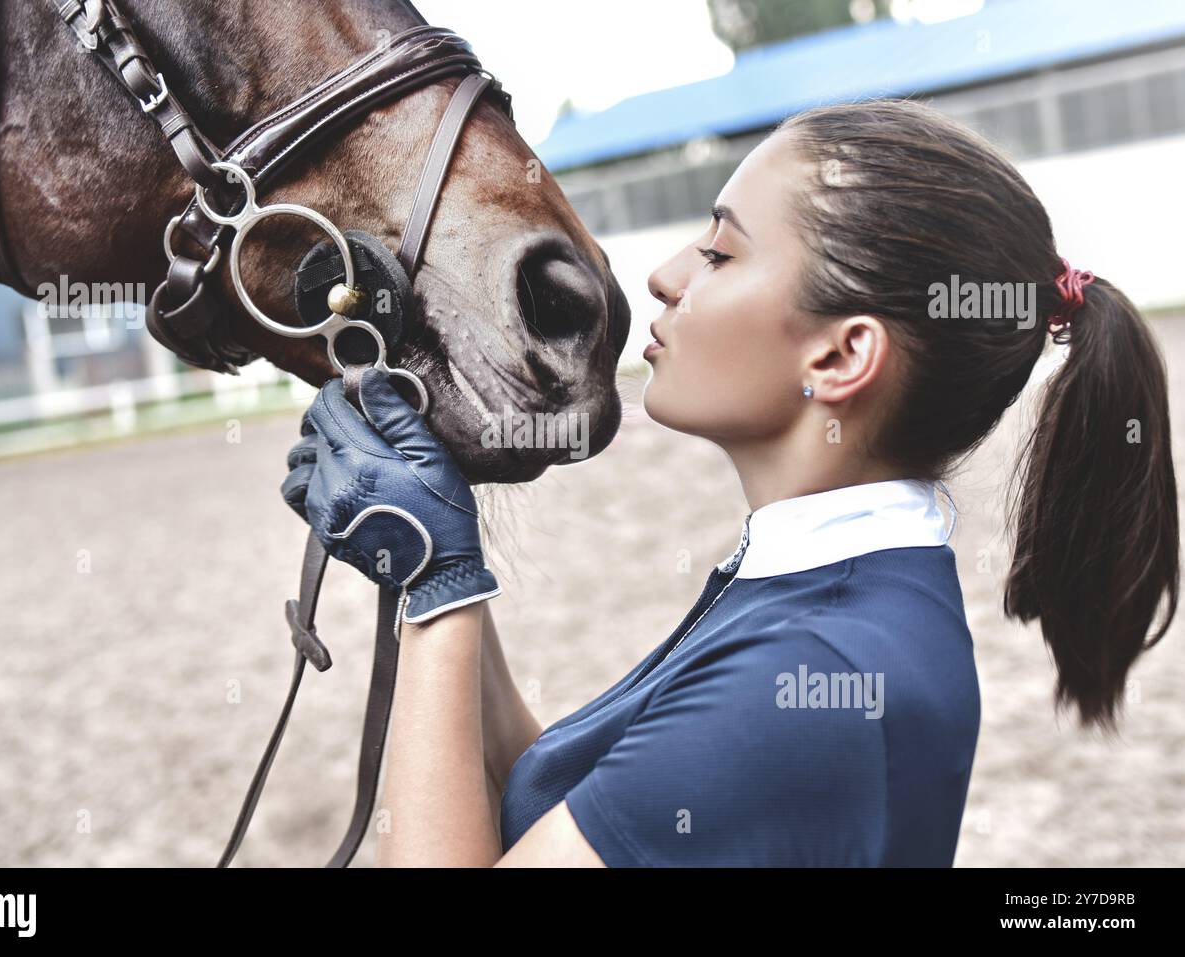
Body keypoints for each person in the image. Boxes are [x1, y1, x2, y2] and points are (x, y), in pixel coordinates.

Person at [281, 99, 1179, 867]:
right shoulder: (823, 593)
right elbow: (558, 793)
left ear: (840, 355)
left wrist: (440, 593)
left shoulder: (817, 673)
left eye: (718, 253)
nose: (664, 277)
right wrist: (431, 560)